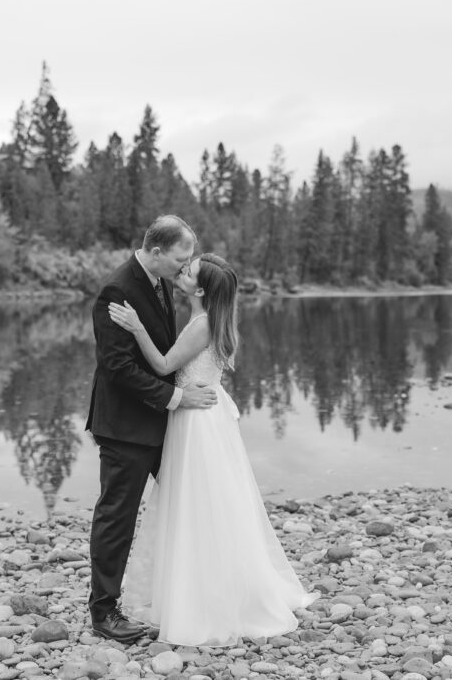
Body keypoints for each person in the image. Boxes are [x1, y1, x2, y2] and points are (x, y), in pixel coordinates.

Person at [109, 252, 319, 647]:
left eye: (189, 270)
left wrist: (137, 328)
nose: (182, 269)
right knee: (214, 502)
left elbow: (162, 365)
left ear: (200, 289)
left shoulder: (202, 324)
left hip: (197, 421)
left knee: (197, 504)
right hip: (208, 415)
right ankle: (213, 585)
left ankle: (204, 598)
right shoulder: (212, 320)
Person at [85, 215, 219, 643]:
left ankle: (194, 595)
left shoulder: (160, 281)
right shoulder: (118, 290)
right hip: (126, 425)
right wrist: (178, 398)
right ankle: (104, 613)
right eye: (180, 258)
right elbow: (118, 368)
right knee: (117, 518)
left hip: (163, 422)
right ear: (156, 251)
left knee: (190, 502)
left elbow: (164, 352)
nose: (185, 267)